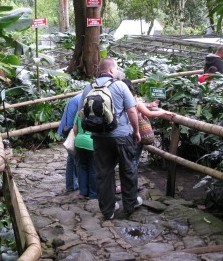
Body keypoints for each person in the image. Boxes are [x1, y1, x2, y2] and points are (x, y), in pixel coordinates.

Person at [79, 57, 142, 219]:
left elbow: (81, 114)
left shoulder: (88, 88)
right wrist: (136, 131)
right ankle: (130, 204)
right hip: (121, 135)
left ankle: (108, 210)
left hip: (99, 137)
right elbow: (132, 111)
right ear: (112, 70)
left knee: (104, 173)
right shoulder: (120, 85)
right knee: (128, 170)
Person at [121, 78, 173, 170]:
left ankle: (125, 183)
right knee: (134, 159)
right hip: (135, 133)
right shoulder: (134, 100)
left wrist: (148, 105)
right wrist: (164, 112)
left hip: (123, 133)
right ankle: (132, 183)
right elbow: (150, 114)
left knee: (126, 160)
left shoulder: (119, 99)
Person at [58, 93, 82, 192]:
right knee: (74, 158)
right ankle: (73, 185)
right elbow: (69, 124)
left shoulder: (81, 97)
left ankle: (72, 185)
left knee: (72, 159)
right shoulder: (79, 100)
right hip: (70, 130)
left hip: (72, 130)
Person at [73, 114, 97, 199]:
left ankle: (83, 192)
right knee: (93, 168)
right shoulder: (96, 112)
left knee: (82, 167)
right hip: (91, 143)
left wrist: (78, 138)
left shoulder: (80, 112)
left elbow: (75, 129)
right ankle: (93, 193)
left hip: (79, 142)